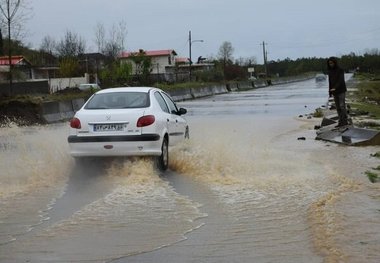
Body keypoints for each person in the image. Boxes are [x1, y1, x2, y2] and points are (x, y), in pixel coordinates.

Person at [327, 56, 349, 127]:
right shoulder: (330, 71)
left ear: (334, 63)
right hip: (334, 92)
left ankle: (345, 121)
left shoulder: (340, 70)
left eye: (332, 63)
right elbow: (330, 82)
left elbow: (341, 80)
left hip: (341, 90)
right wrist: (330, 92)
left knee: (342, 106)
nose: (331, 64)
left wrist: (335, 88)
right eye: (329, 63)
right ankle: (340, 121)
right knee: (338, 107)